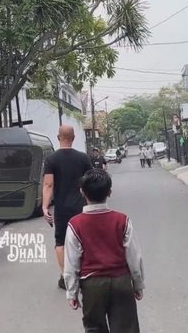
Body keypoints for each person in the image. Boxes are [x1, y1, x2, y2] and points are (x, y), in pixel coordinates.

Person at [63, 169, 145, 333]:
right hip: (121, 282)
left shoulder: (75, 224)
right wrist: (138, 284)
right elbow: (134, 257)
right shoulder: (122, 220)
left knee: (94, 329)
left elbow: (71, 263)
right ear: (109, 192)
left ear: (82, 192)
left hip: (92, 285)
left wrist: (72, 292)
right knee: (126, 328)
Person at [42, 125, 92, 289]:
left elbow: (48, 184)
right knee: (84, 240)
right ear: (74, 138)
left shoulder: (51, 160)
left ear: (58, 138)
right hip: (82, 208)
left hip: (62, 209)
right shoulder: (83, 158)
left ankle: (66, 276)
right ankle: (85, 272)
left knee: (60, 242)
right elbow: (91, 181)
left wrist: (44, 206)